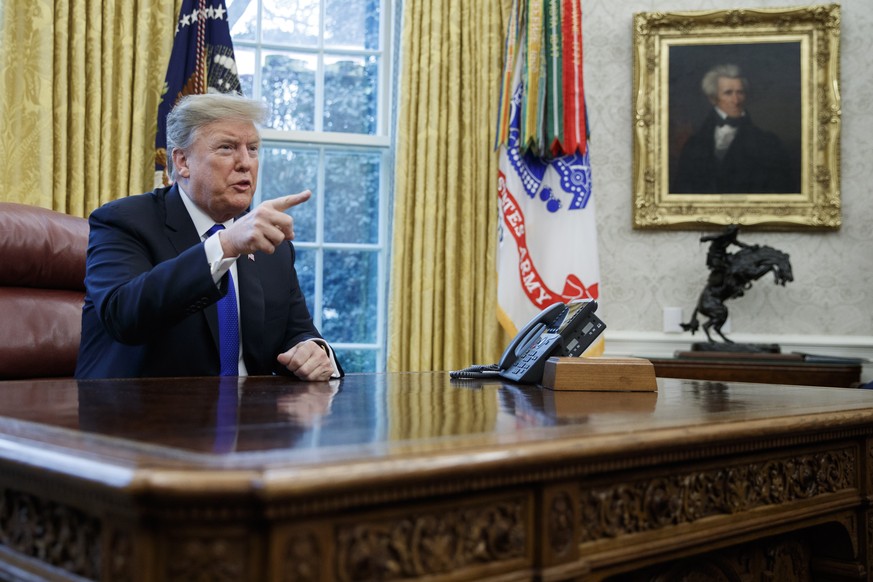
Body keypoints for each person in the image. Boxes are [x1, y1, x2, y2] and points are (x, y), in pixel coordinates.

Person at [75, 92, 342, 381]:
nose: (245, 163)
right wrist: (225, 245)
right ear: (182, 162)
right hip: (139, 417)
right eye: (227, 148)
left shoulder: (270, 245)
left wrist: (314, 350)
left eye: (252, 149)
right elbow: (123, 315)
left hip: (252, 419)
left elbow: (297, 332)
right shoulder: (124, 221)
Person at [672, 64, 794, 194]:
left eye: (740, 92)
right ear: (713, 98)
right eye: (728, 93)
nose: (736, 100)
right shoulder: (693, 145)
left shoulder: (768, 143)